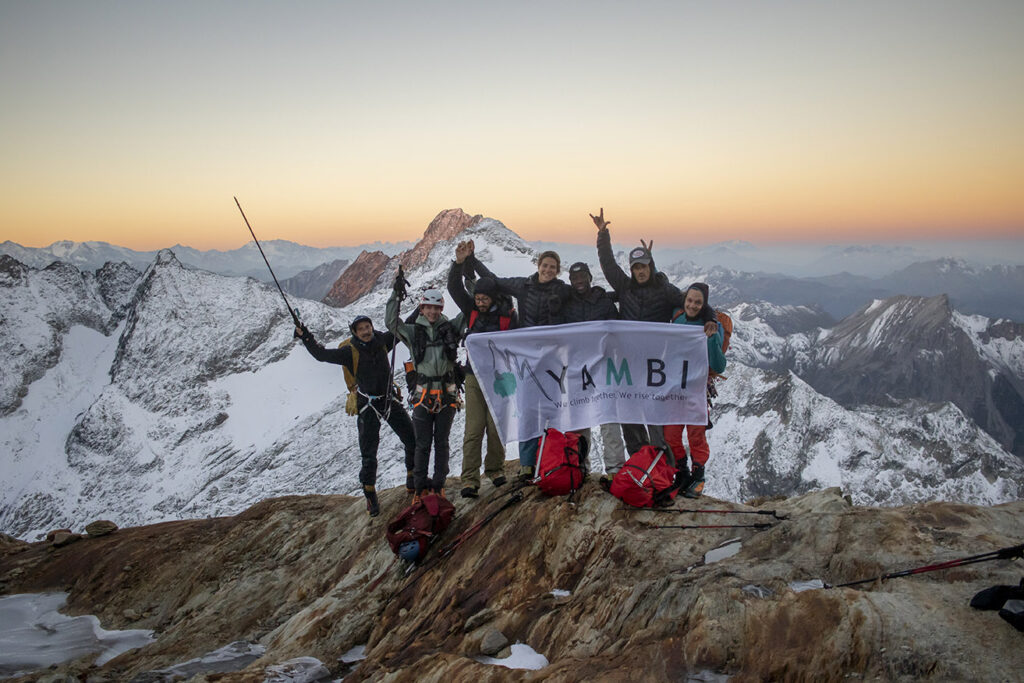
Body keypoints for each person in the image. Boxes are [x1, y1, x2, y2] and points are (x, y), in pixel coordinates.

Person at [592, 207, 717, 461]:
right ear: (632, 269)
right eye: (636, 267)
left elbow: (693, 300)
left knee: (656, 418)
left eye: (644, 266)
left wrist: (711, 317)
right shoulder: (624, 287)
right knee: (629, 413)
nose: (640, 271)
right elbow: (608, 265)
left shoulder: (664, 290)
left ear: (650, 267)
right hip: (627, 362)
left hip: (655, 366)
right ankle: (640, 464)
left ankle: (664, 469)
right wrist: (603, 234)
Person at [464, 241, 571, 479]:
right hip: (526, 359)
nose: (548, 270)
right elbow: (493, 280)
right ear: (538, 265)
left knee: (553, 410)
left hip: (552, 359)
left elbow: (583, 300)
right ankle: (526, 464)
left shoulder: (563, 290)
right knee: (528, 410)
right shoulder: (524, 286)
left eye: (553, 267)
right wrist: (472, 260)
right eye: (545, 265)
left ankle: (551, 459)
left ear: (558, 270)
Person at [294, 315, 415, 517]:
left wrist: (420, 309)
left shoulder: (382, 341)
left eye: (368, 327)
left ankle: (412, 477)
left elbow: (401, 328)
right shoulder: (349, 352)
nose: (366, 331)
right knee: (369, 454)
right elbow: (321, 354)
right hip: (368, 403)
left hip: (386, 399)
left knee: (411, 437)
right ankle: (370, 494)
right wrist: (305, 336)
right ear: (355, 333)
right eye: (361, 329)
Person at [448, 240, 517, 498]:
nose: (479, 302)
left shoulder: (508, 317)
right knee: (474, 429)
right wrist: (459, 263)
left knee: (497, 426)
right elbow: (453, 288)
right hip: (475, 376)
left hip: (502, 377)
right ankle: (469, 479)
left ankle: (496, 469)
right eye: (477, 298)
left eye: (484, 298)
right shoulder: (472, 310)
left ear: (493, 297)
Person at [386, 282, 463, 503]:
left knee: (442, 442)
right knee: (422, 443)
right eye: (428, 307)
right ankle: (420, 488)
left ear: (441, 309)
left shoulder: (450, 328)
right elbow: (391, 323)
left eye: (436, 308)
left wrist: (467, 279)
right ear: (421, 309)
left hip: (446, 393)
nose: (432, 312)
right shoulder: (412, 332)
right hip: (423, 394)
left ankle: (438, 485)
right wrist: (395, 294)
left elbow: (468, 312)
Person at [561, 261, 627, 487]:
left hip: (603, 365)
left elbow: (618, 329)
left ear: (589, 277)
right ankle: (580, 468)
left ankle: (616, 470)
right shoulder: (565, 303)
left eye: (582, 277)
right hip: (577, 368)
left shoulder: (604, 301)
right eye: (575, 278)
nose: (579, 282)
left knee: (609, 418)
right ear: (570, 281)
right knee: (579, 421)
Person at [664, 282, 727, 498]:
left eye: (698, 302)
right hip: (675, 387)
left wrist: (711, 338)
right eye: (690, 300)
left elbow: (719, 366)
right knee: (670, 435)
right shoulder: (676, 316)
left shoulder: (710, 327)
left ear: (704, 304)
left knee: (696, 436)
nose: (692, 305)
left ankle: (698, 477)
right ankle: (682, 472)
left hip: (697, 391)